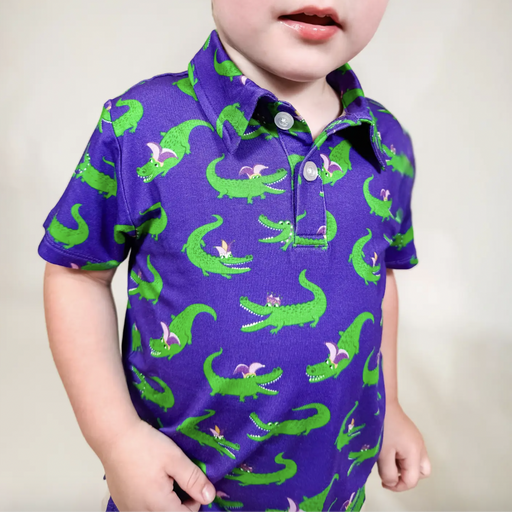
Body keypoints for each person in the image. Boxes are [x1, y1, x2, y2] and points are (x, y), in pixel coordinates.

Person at [38, 0, 431, 510]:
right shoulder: (140, 124)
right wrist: (117, 440)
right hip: (182, 494)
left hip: (337, 489)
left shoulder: (386, 142)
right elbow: (77, 275)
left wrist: (390, 404)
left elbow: (377, 281)